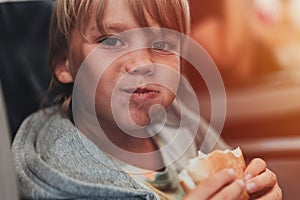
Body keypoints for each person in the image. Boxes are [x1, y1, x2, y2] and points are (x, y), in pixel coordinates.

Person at [12, 0, 282, 199]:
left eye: (162, 45)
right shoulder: (61, 175)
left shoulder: (182, 126)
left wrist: (253, 190)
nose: (142, 63)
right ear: (64, 64)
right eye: (111, 41)